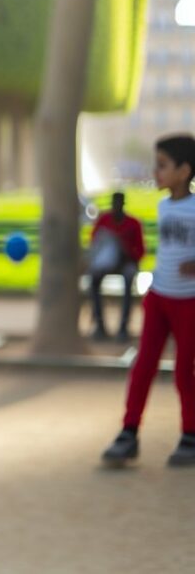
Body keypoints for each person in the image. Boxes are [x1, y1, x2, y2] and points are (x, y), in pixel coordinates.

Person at [102, 135, 195, 469]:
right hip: (159, 298)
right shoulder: (163, 205)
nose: (155, 172)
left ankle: (190, 435)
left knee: (185, 372)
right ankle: (128, 433)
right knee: (143, 366)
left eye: (162, 165)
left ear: (184, 171)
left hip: (189, 304)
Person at [88, 191, 146, 341]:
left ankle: (123, 327)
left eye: (119, 204)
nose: (116, 207)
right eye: (114, 204)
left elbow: (140, 251)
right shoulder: (104, 220)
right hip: (106, 264)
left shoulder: (133, 223)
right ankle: (99, 325)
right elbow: (95, 244)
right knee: (94, 280)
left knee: (128, 279)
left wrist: (127, 253)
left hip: (127, 262)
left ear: (123, 205)